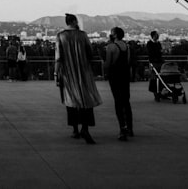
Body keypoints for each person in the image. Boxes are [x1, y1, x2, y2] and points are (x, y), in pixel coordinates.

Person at [55, 13, 102, 144]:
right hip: (83, 73)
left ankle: (75, 129)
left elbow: (58, 58)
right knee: (86, 100)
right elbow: (90, 53)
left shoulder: (60, 36)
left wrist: (56, 74)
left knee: (70, 100)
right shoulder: (83, 35)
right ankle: (85, 128)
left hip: (68, 74)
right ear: (75, 21)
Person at [103, 26, 133, 140]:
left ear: (114, 35)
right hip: (125, 76)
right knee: (126, 101)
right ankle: (130, 127)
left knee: (118, 102)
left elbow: (108, 64)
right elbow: (128, 61)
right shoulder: (127, 46)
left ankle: (122, 128)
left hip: (115, 76)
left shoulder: (111, 47)